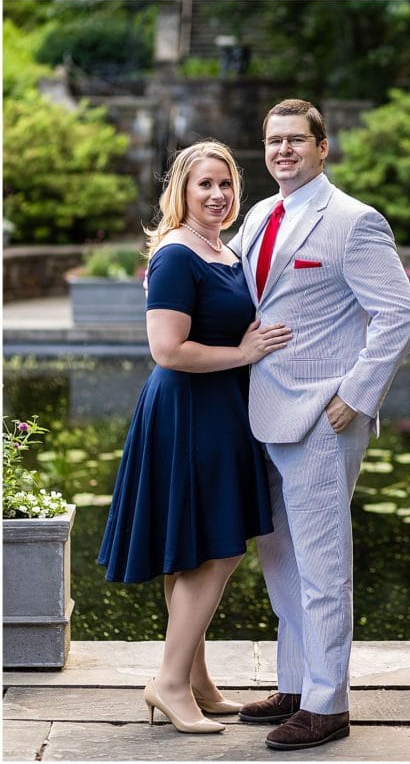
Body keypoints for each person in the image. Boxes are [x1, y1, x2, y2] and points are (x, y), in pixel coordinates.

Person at [230, 99, 410, 751]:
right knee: (279, 558)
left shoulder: (352, 221)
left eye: (296, 140)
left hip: (321, 417)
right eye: (274, 140)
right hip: (263, 410)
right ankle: (294, 683)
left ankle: (328, 702)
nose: (284, 150)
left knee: (323, 563)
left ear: (322, 147)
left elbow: (398, 312)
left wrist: (357, 397)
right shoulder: (258, 216)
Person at [97, 141, 293, 734]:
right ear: (180, 190)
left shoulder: (223, 250)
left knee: (195, 543)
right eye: (204, 183)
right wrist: (243, 351)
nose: (217, 194)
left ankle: (197, 681)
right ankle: (171, 684)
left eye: (227, 183)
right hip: (188, 410)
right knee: (219, 545)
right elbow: (166, 349)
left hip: (219, 407)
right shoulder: (177, 255)